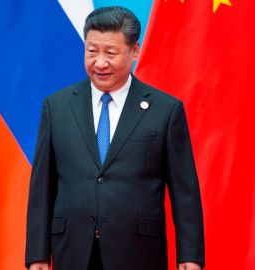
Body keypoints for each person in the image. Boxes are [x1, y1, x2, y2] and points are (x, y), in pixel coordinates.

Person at [25, 6, 204, 270]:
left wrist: (190, 256)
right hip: (73, 250)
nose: (99, 62)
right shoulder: (58, 106)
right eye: (92, 51)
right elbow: (42, 187)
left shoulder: (165, 110)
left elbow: (185, 192)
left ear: (134, 51)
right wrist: (37, 255)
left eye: (110, 53)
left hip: (138, 253)